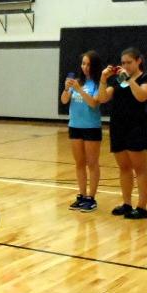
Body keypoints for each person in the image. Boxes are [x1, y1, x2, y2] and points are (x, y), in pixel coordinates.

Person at [97, 48, 147, 219]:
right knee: (124, 167)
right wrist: (103, 80)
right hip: (118, 126)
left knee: (140, 168)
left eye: (129, 62)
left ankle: (142, 207)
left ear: (138, 61)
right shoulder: (120, 80)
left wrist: (129, 80)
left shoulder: (146, 78)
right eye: (123, 63)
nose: (125, 65)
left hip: (137, 127)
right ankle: (127, 203)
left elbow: (141, 96)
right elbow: (102, 98)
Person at [60, 51, 104, 212]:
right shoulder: (77, 82)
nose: (85, 67)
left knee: (92, 163)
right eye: (83, 63)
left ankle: (91, 198)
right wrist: (66, 89)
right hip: (75, 126)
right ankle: (82, 195)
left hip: (91, 127)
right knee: (79, 163)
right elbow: (64, 100)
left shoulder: (98, 84)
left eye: (88, 64)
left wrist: (79, 90)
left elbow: (93, 103)